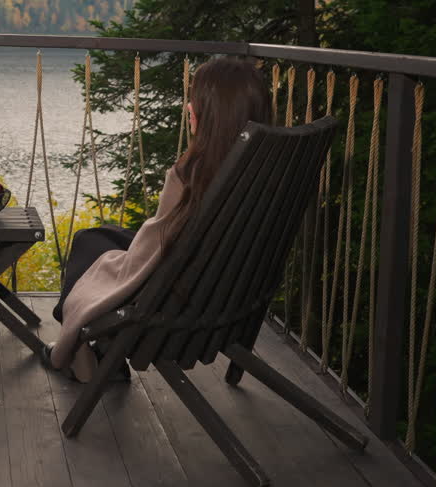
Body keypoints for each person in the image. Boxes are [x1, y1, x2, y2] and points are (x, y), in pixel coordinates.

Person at [45, 56, 271, 382]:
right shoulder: (265, 170)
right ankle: (96, 350)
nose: (189, 107)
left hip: (177, 307)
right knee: (101, 237)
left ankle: (83, 354)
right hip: (227, 294)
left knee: (89, 244)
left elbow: (155, 253)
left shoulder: (194, 174)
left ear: (210, 113)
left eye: (195, 100)